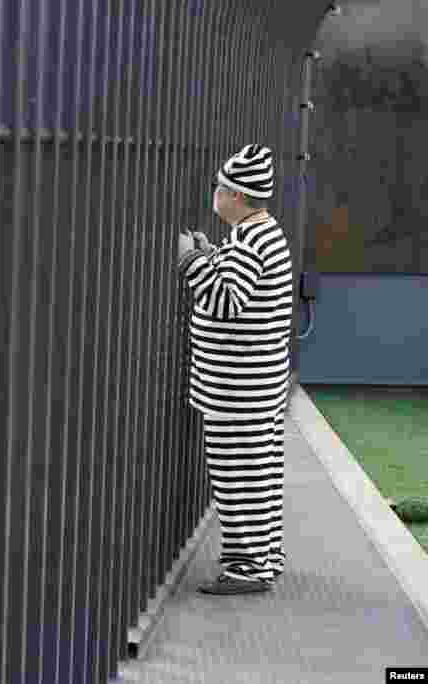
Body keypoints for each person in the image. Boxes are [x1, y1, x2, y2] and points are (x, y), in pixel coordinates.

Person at [176, 144, 294, 595]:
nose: (215, 195)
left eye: (220, 189)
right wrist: (214, 256)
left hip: (236, 390)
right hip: (258, 385)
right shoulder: (263, 233)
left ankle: (247, 568)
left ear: (237, 197)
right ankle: (265, 555)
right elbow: (240, 282)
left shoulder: (249, 240)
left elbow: (225, 302)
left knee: (237, 476)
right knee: (260, 472)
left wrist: (190, 260)